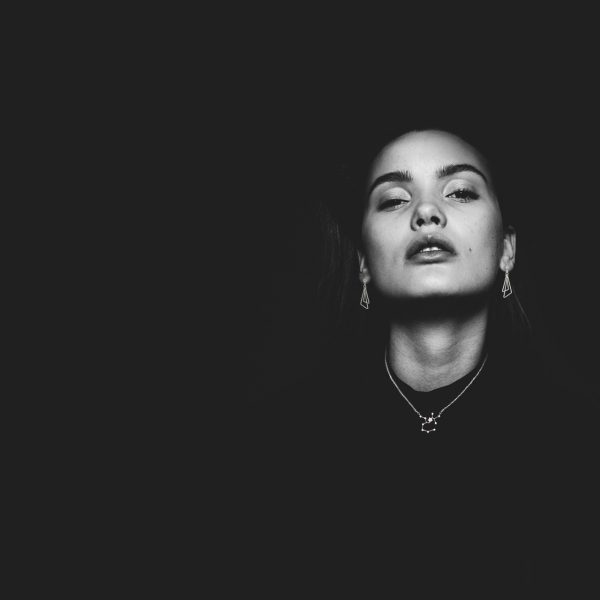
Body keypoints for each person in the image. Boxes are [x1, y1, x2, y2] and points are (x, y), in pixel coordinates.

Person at [238, 127, 599, 595]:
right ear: (363, 263)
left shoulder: (579, 448)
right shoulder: (272, 448)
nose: (426, 212)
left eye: (460, 192)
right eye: (393, 200)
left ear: (507, 249)